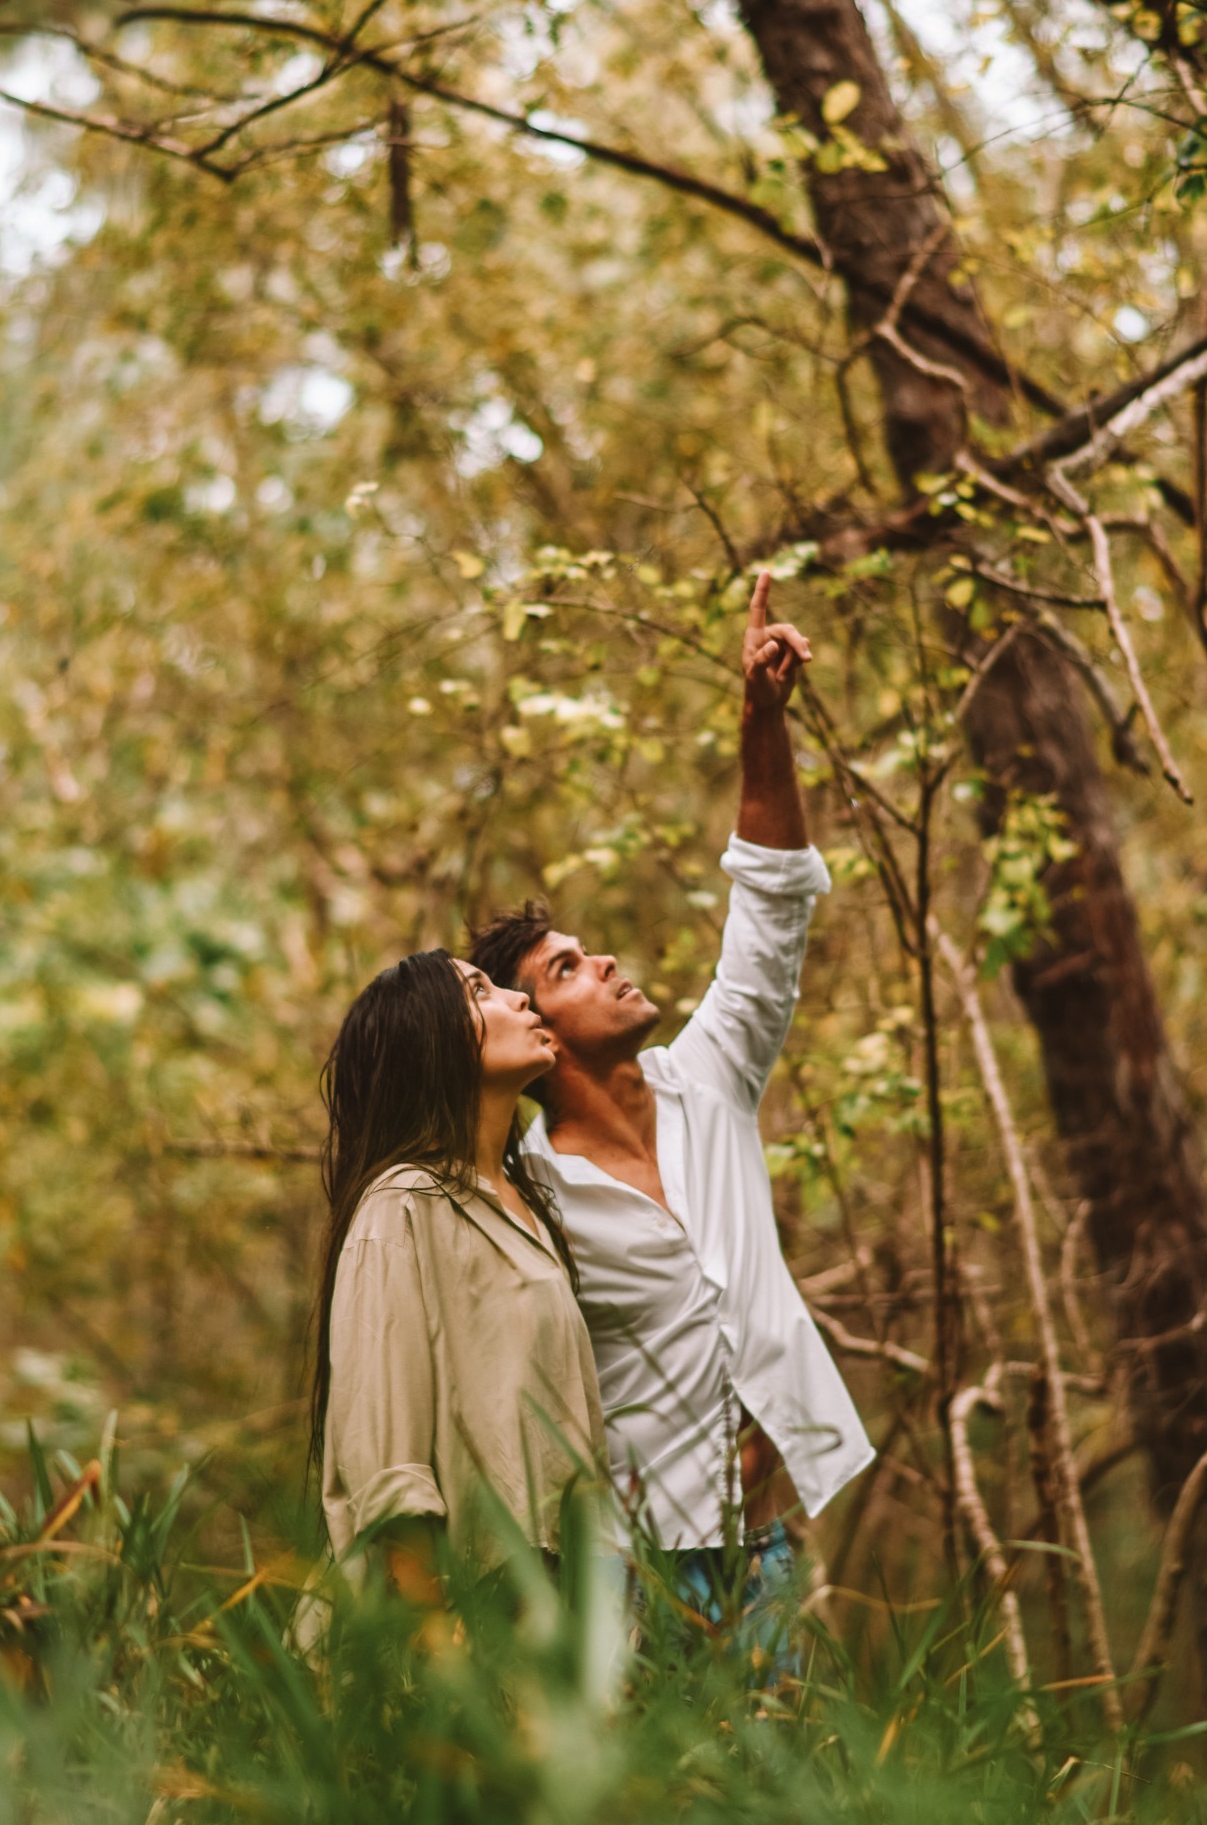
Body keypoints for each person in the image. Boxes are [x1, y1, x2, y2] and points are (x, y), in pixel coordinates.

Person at [469, 572, 874, 1641]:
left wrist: (759, 719)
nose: (600, 959)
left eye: (584, 949)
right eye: (565, 968)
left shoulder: (715, 1080)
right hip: (630, 1571)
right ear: (540, 1035)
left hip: (769, 1552)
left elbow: (772, 901)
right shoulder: (530, 1200)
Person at [309, 949, 606, 1603]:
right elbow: (387, 1462)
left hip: (555, 1612)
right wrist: (432, 1645)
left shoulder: (526, 1207)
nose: (519, 999)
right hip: (456, 1618)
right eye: (480, 991)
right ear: (430, 1044)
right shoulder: (402, 1205)